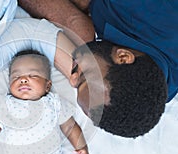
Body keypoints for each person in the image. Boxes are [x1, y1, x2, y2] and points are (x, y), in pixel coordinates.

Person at [16, 0, 176, 137]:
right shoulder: (150, 11)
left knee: (80, 36)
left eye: (77, 85)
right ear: (123, 57)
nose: (72, 80)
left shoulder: (147, 92)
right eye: (84, 77)